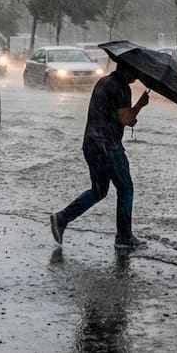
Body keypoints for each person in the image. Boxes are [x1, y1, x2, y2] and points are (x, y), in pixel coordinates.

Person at [50, 61, 151, 249]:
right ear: (126, 69)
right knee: (126, 188)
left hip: (91, 145)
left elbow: (115, 115)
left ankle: (62, 218)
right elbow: (126, 118)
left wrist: (128, 117)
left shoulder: (103, 82)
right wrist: (140, 105)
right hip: (108, 147)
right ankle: (124, 237)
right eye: (135, 71)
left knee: (99, 190)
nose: (137, 76)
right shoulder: (120, 87)